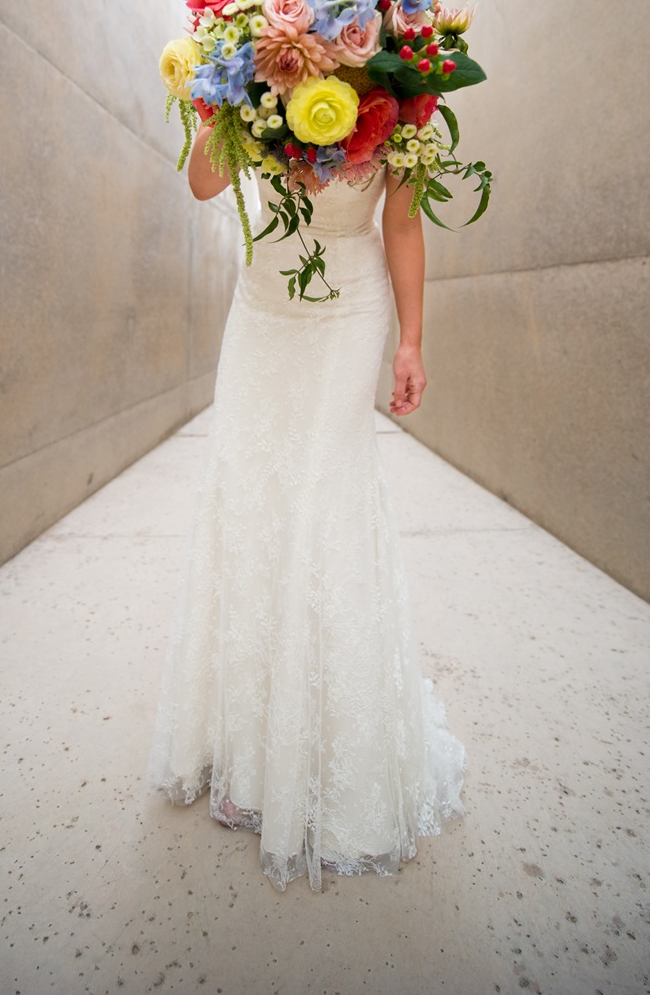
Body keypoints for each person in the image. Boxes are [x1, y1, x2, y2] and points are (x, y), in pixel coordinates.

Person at [147, 123, 466, 892]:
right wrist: (216, 95)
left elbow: (402, 218)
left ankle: (334, 764)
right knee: (254, 498)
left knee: (325, 500)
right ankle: (255, 756)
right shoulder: (250, 49)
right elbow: (201, 184)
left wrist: (412, 342)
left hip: (348, 308)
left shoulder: (405, 79)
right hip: (263, 312)